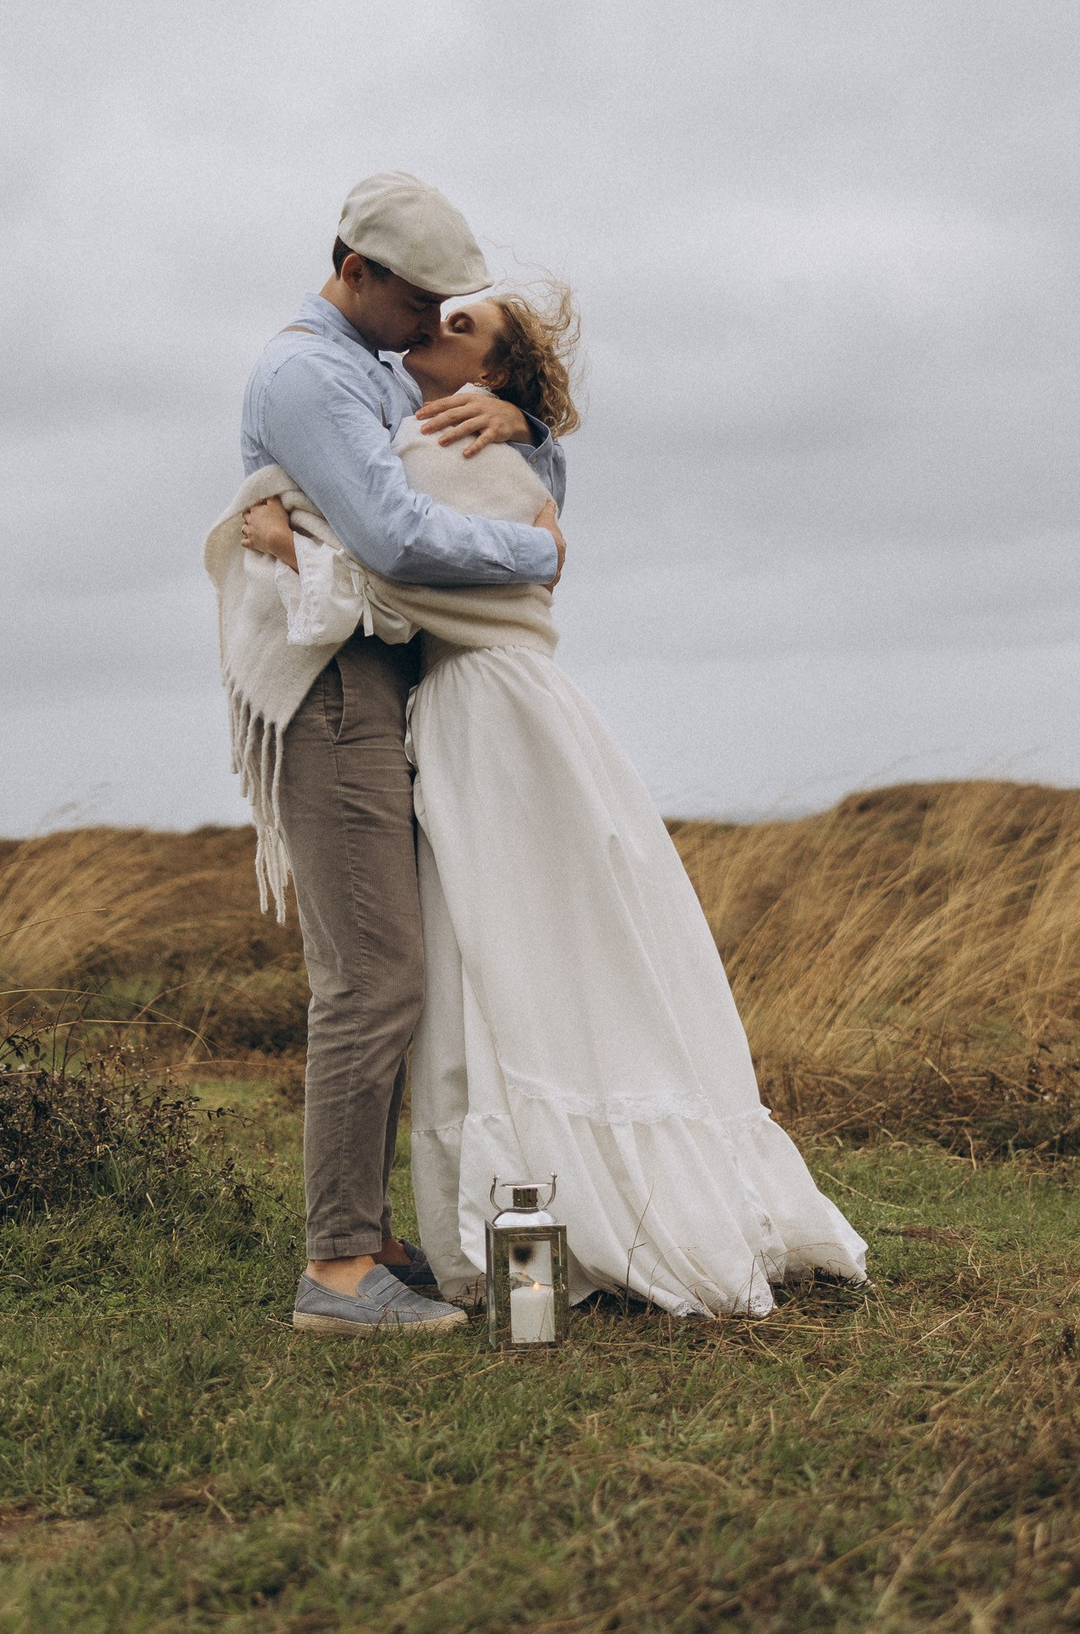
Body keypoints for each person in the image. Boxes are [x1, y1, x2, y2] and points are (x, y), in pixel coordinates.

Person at [233, 287, 870, 1317]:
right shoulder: (483, 441)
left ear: (490, 372)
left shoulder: (459, 450)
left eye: (466, 326)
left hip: (484, 717)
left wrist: (286, 546)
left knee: (499, 944)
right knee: (525, 945)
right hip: (505, 708)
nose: (441, 323)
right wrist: (532, 430)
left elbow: (393, 576)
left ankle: (487, 1221)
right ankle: (533, 1200)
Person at [215, 172, 567, 1336]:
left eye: (446, 308)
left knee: (394, 977)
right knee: (370, 981)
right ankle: (337, 1270)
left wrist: (525, 431)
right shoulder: (309, 373)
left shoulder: (371, 365)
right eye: (417, 302)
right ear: (354, 273)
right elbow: (391, 533)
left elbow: (477, 459)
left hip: (375, 681)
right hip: (329, 689)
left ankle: (366, 1238)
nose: (430, 326)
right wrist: (533, 552)